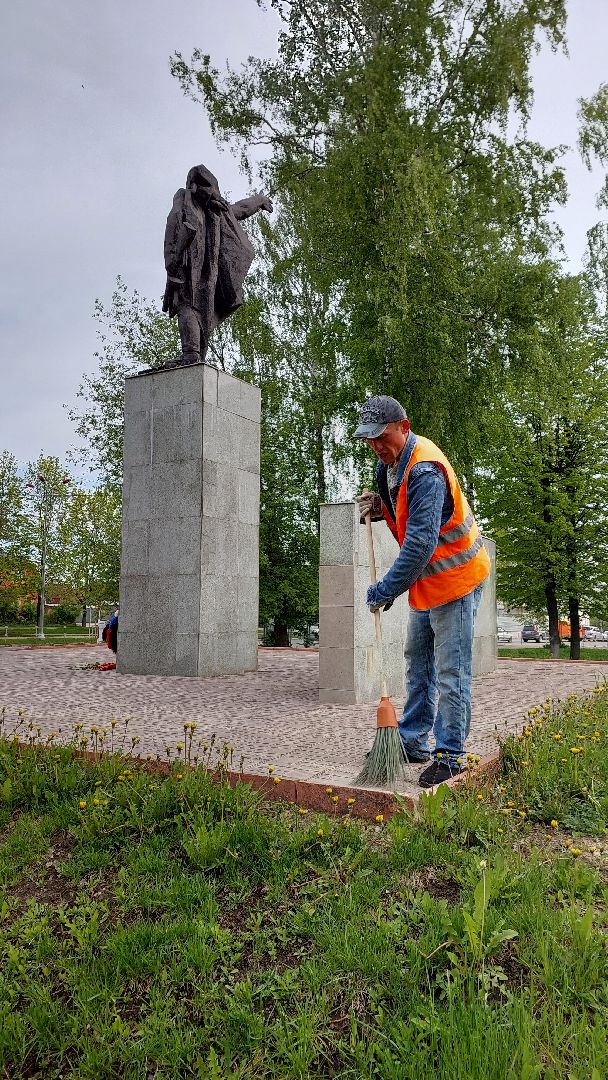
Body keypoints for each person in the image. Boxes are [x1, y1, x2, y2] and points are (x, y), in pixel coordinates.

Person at [355, 395, 490, 787]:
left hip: (457, 580)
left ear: (404, 427)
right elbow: (407, 513)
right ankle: (413, 741)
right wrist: (383, 505)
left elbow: (419, 545)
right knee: (418, 661)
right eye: (370, 439)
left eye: (383, 436)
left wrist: (385, 589)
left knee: (452, 672)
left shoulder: (425, 471)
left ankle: (450, 754)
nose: (377, 445)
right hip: (428, 583)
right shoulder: (391, 467)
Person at [163, 164, 273, 365]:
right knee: (195, 309)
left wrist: (259, 201)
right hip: (195, 272)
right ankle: (193, 356)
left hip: (197, 273)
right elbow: (239, 210)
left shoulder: (209, 209)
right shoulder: (198, 206)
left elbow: (239, 209)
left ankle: (192, 356)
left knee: (193, 309)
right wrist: (259, 200)